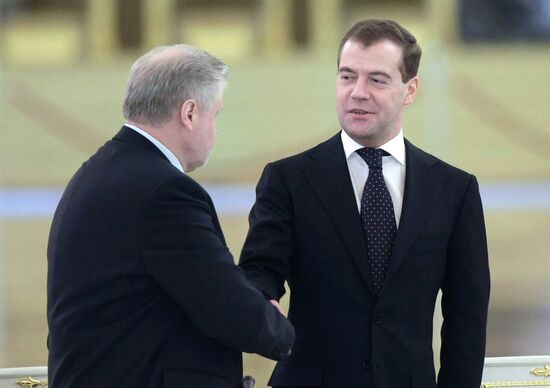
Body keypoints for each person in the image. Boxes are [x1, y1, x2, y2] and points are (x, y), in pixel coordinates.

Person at [239, 19, 490, 388]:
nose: (357, 92)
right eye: (346, 76)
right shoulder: (288, 180)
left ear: (410, 89)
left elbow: (467, 315)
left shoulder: (454, 189)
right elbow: (259, 271)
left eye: (377, 79)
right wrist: (260, 301)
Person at [47, 44, 294, 388]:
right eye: (216, 115)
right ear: (189, 113)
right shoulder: (165, 193)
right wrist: (280, 327)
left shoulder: (97, 172)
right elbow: (228, 309)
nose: (216, 130)